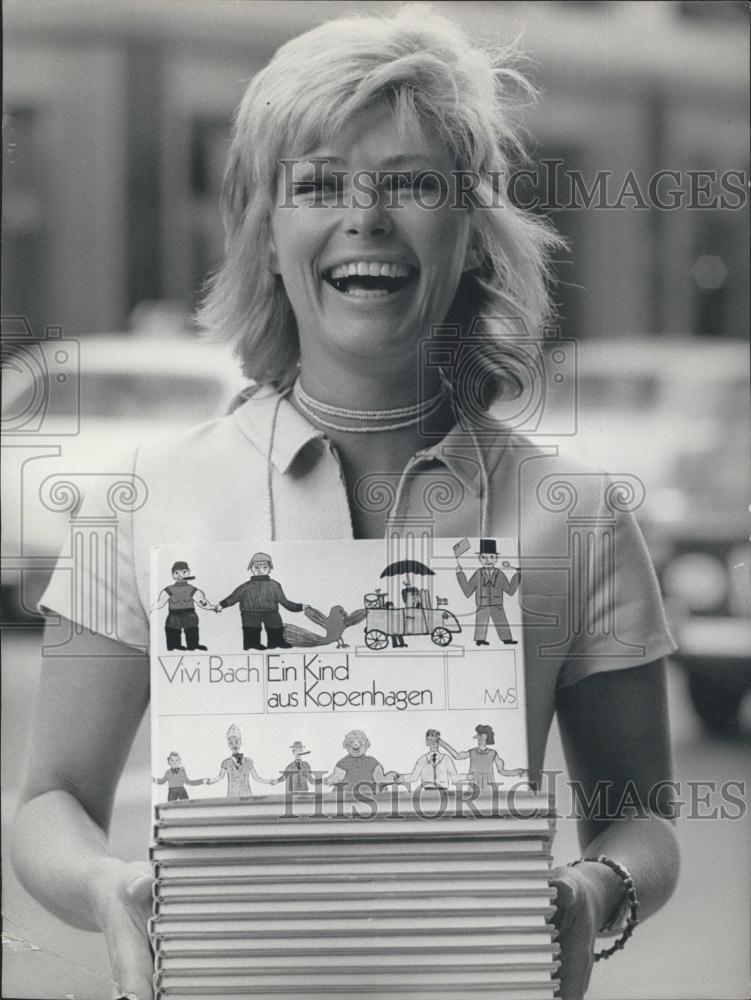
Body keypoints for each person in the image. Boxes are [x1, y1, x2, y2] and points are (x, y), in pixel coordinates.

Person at [10, 8, 679, 1000]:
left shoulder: (577, 515)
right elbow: (50, 800)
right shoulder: (136, 503)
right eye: (317, 184)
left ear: (474, 230)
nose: (363, 216)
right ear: (265, 233)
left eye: (409, 183)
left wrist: (594, 888)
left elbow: (644, 818)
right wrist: (107, 886)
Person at [216, 551, 305, 650]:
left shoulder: (274, 585)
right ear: (251, 568)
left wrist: (299, 607)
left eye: (264, 567)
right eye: (256, 567)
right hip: (249, 612)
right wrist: (222, 605)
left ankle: (276, 643)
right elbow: (233, 597)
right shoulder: (246, 586)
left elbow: (284, 601)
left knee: (275, 626)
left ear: (270, 569)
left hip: (271, 612)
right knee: (251, 630)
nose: (260, 570)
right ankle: (252, 644)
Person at [455, 539, 520, 646]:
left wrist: (518, 575)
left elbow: (510, 590)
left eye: (491, 557)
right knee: (481, 621)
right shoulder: (478, 574)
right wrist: (460, 573)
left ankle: (507, 639)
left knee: (501, 621)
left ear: (496, 559)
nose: (488, 560)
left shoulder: (499, 574)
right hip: (482, 604)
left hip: (497, 603)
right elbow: (467, 590)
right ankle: (480, 639)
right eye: (484, 557)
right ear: (479, 558)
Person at [152, 560, 218, 651]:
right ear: (172, 574)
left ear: (188, 572)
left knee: (192, 629)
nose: (180, 575)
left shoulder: (192, 589)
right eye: (176, 573)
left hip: (189, 614)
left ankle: (193, 645)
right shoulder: (169, 589)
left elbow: (201, 601)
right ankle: (174, 645)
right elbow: (160, 602)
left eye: (183, 572)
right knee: (172, 629)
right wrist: (151, 608)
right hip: (174, 615)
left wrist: (212, 607)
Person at [439, 723, 527, 791]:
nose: (476, 737)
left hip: (488, 785)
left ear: (484, 736)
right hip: (474, 784)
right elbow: (457, 756)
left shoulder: (493, 753)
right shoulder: (472, 752)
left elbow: (502, 771)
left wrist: (519, 772)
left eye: (478, 735)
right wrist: (443, 744)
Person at [204, 723, 276, 798]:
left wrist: (270, 781)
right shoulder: (226, 763)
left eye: (236, 742)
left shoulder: (248, 762)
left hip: (247, 795)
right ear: (228, 745)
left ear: (241, 742)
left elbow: (257, 778)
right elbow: (220, 777)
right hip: (232, 796)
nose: (234, 745)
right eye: (231, 743)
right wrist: (210, 781)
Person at [324, 729, 399, 794]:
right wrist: (330, 780)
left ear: (366, 745)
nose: (356, 745)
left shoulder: (372, 762)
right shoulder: (343, 763)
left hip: (370, 797)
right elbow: (338, 776)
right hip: (347, 796)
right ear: (346, 746)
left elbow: (379, 779)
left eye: (360, 742)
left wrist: (392, 777)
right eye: (351, 742)